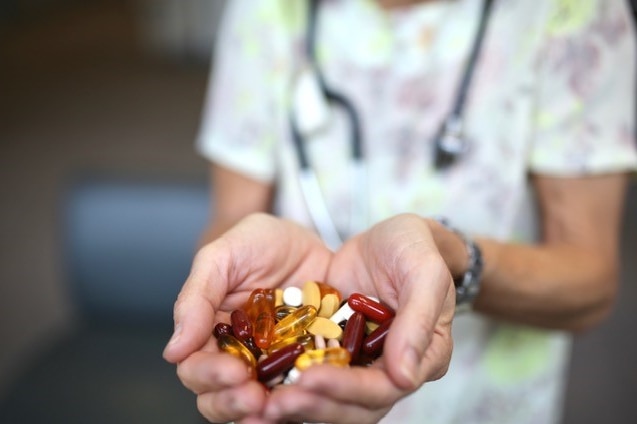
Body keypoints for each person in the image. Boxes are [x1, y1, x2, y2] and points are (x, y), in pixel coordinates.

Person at [163, 0, 637, 423]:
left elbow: (591, 282)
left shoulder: (575, 11)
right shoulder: (267, 10)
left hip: (483, 400)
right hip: (294, 398)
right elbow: (230, 218)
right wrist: (228, 276)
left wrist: (453, 259)